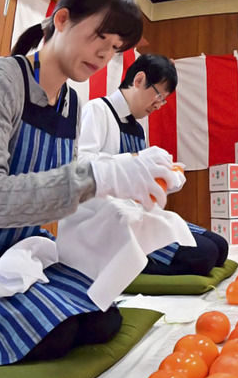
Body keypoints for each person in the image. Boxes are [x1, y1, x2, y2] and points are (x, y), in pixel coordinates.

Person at [0, 0, 182, 367]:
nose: (105, 55)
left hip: (18, 247)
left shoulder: (70, 102)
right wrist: (100, 176)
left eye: (115, 47)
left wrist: (128, 202)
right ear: (63, 19)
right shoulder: (0, 81)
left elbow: (63, 193)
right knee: (55, 332)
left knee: (101, 319)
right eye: (100, 37)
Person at [79, 53, 228, 276]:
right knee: (204, 255)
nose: (159, 105)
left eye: (163, 100)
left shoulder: (138, 128)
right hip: (111, 221)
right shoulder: (97, 110)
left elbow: (141, 177)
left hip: (139, 214)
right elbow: (81, 166)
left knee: (220, 246)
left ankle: (138, 255)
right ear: (139, 81)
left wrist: (166, 176)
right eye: (158, 96)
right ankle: (121, 262)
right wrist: (135, 162)